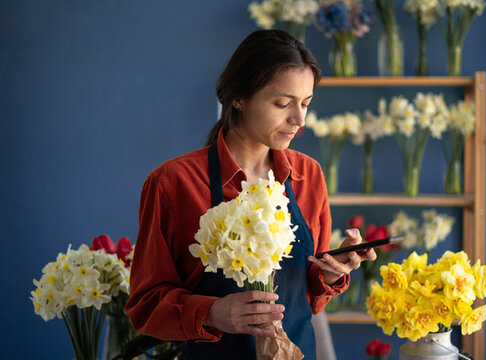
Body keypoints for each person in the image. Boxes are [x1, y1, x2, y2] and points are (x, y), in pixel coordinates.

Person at [125, 29, 376, 359]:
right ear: (239, 98)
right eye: (282, 103)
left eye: (305, 103)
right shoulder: (173, 183)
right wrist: (212, 312)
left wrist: (330, 273)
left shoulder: (308, 175)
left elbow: (312, 303)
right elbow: (145, 308)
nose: (299, 119)